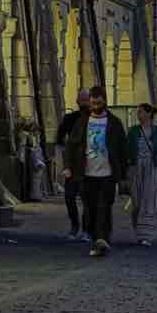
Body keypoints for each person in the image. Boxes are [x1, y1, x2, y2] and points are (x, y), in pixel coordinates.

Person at [61, 84, 131, 258]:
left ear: (105, 102)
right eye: (93, 103)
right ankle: (95, 237)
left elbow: (122, 149)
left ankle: (102, 239)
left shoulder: (114, 123)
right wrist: (68, 166)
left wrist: (123, 175)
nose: (96, 106)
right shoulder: (82, 122)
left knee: (104, 208)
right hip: (86, 173)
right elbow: (71, 145)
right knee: (90, 209)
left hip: (107, 174)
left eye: (99, 103)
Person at [127, 103, 157, 246]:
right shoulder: (133, 131)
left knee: (148, 203)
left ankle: (145, 235)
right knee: (136, 203)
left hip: (152, 168)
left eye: (140, 112)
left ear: (148, 114)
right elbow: (126, 150)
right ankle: (138, 231)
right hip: (136, 168)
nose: (138, 114)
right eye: (137, 112)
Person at [54, 88, 90, 241]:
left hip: (89, 165)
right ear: (77, 101)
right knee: (69, 197)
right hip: (73, 164)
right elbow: (60, 139)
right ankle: (75, 226)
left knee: (87, 199)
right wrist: (64, 161)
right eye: (82, 99)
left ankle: (86, 229)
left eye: (86, 100)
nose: (83, 103)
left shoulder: (96, 118)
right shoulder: (70, 118)